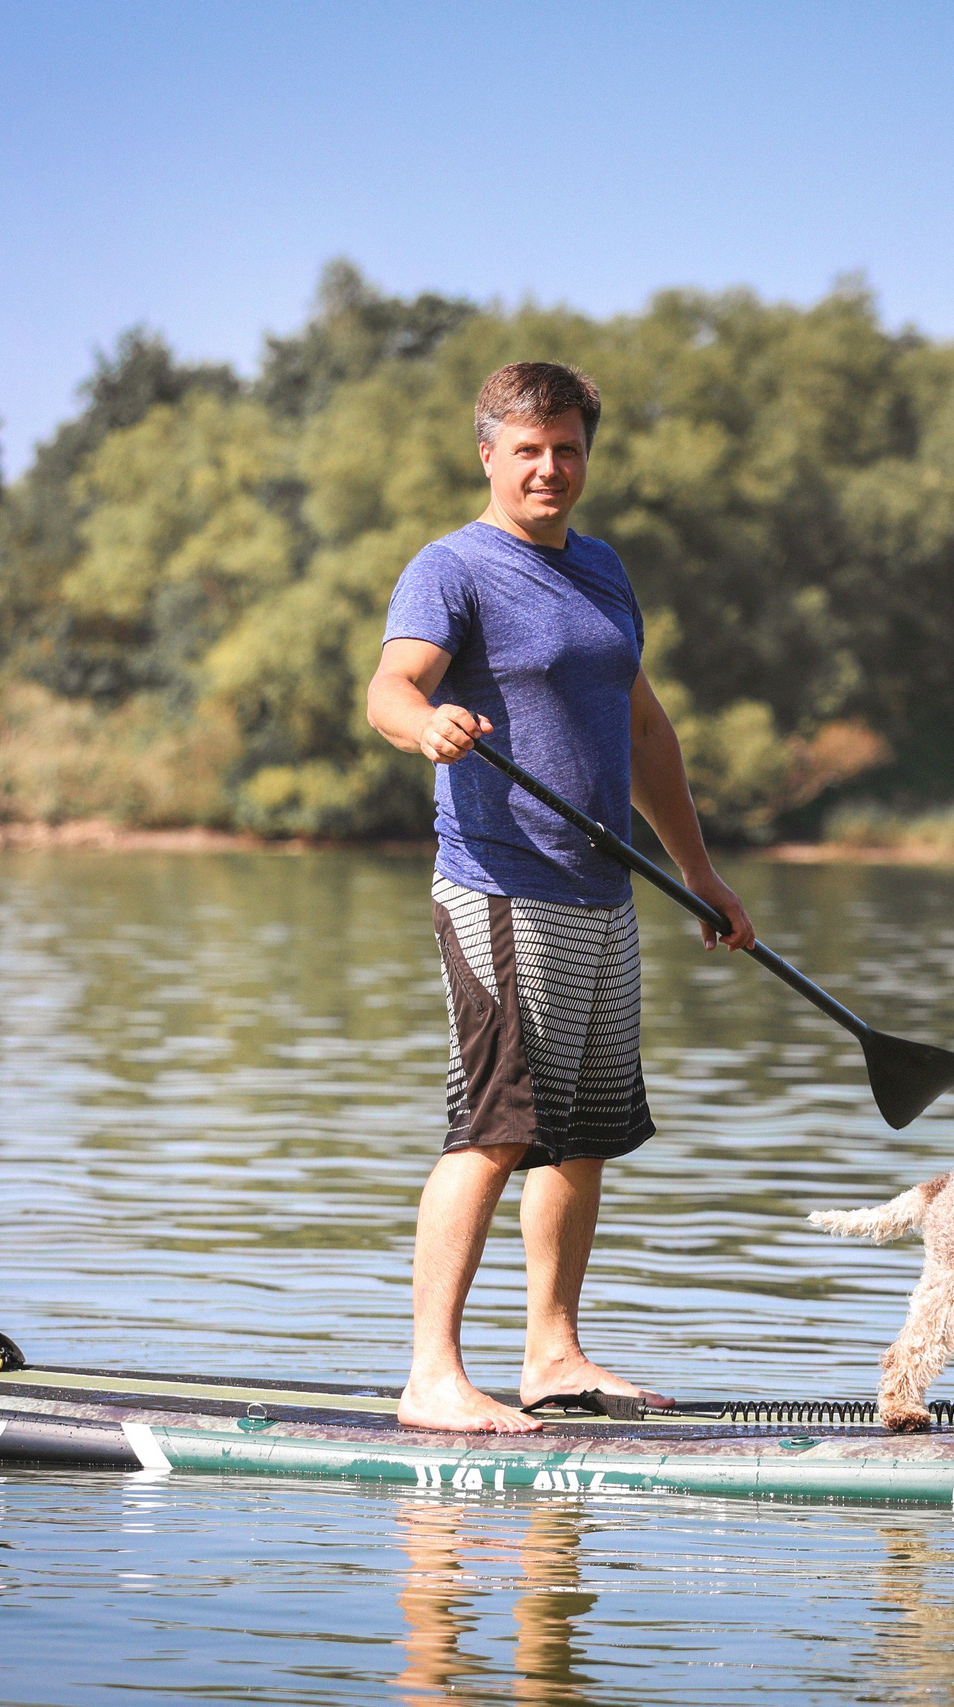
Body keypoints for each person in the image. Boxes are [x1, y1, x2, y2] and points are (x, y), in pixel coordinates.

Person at [366, 361, 756, 1434]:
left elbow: (644, 732)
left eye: (568, 448)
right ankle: (432, 1378)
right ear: (488, 453)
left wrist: (699, 871)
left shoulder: (602, 572)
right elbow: (390, 686)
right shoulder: (451, 569)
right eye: (528, 449)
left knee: (579, 1134)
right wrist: (424, 724)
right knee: (496, 1127)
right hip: (500, 883)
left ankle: (552, 1354)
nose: (550, 467)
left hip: (601, 891)